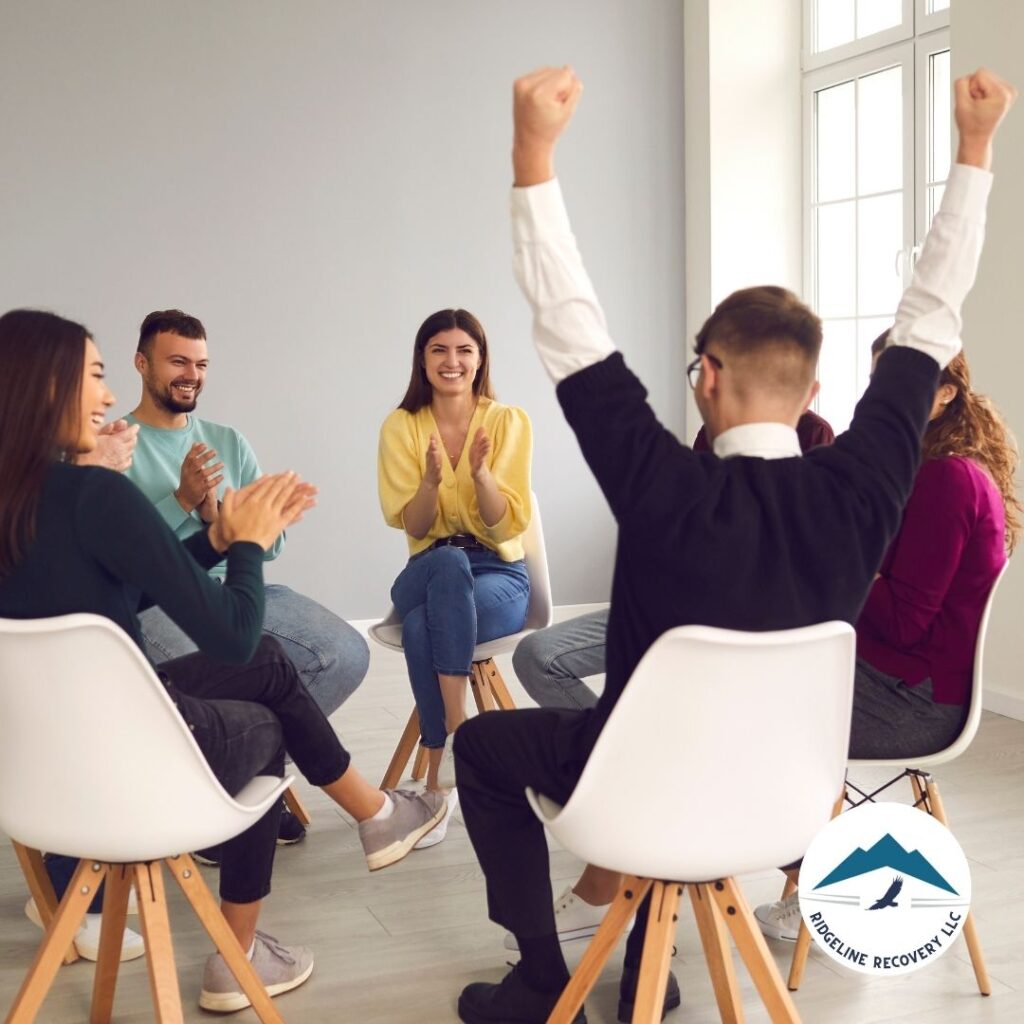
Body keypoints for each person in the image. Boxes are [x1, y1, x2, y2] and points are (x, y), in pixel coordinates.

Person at [452, 65, 1015, 1024]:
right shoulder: (870, 486)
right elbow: (931, 318)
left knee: (480, 747)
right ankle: (641, 968)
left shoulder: (664, 485)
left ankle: (545, 976)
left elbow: (569, 329)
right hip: (786, 806)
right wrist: (974, 150)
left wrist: (532, 156)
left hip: (635, 795)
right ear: (811, 388)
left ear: (706, 375)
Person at [0, 309, 445, 1012]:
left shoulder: (28, 499)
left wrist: (215, 536)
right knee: (263, 709)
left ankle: (375, 812)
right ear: (42, 386)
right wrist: (247, 541)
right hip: (129, 760)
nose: (108, 397)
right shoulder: (94, 494)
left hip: (38, 772)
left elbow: (130, 588)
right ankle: (240, 959)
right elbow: (230, 633)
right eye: (94, 375)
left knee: (268, 663)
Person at [505, 410, 835, 954]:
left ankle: (616, 869)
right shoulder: (704, 439)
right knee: (541, 655)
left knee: (702, 733)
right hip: (673, 611)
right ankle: (620, 771)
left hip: (742, 632)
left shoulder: (817, 441)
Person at [754, 340, 1019, 941]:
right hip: (898, 677)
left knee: (742, 714)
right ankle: (819, 879)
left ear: (946, 392)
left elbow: (902, 620)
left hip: (916, 704)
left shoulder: (948, 480)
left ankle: (825, 886)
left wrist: (847, 559)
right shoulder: (930, 464)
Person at [122, 308, 371, 847]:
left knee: (344, 653)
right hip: (157, 602)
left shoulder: (227, 441)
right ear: (142, 364)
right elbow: (122, 561)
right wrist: (183, 501)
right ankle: (236, 791)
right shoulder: (115, 445)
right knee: (245, 660)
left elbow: (272, 541)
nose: (192, 374)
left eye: (202, 363)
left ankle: (243, 774)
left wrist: (221, 520)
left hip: (238, 582)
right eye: (178, 361)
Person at [511, 411, 835, 713]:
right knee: (536, 655)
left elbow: (800, 548)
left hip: (748, 621)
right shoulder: (711, 433)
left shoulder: (812, 434)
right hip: (675, 602)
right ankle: (616, 751)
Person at [377, 308, 532, 846]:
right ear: (423, 359)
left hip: (499, 575)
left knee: (423, 627)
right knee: (445, 561)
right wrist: (428, 485)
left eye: (464, 350)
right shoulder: (402, 426)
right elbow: (415, 526)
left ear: (480, 358)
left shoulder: (508, 421)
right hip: (427, 567)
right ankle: (464, 727)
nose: (452, 361)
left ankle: (436, 777)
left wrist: (484, 474)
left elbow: (501, 521)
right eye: (439, 350)